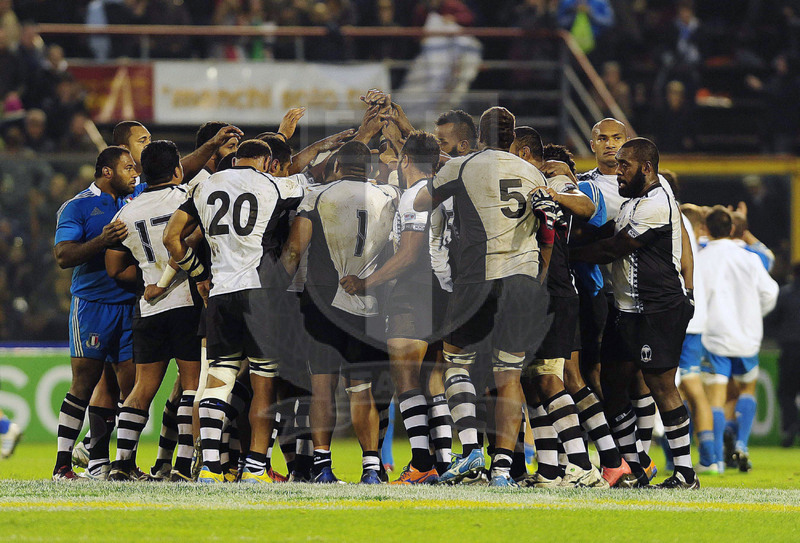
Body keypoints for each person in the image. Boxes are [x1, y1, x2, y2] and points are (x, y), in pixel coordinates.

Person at [413, 107, 598, 487]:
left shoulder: (464, 166)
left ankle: (470, 451)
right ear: (512, 135)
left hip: (477, 278)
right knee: (510, 374)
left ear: (479, 135)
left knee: (457, 362)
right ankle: (501, 469)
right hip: (524, 282)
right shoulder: (531, 171)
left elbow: (421, 203)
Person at [164, 139, 305, 484]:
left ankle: (211, 469)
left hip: (221, 294)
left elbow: (172, 238)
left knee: (217, 381)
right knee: (263, 384)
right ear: (267, 161)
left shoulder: (204, 186)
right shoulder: (274, 183)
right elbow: (305, 177)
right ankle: (256, 467)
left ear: (235, 158)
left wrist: (199, 275)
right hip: (259, 294)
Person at [571, 138, 699, 489]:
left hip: (658, 309)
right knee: (612, 387)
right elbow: (610, 232)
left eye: (625, 165)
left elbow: (616, 247)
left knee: (661, 385)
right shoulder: (636, 199)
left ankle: (686, 473)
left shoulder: (657, 204)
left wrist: (570, 255)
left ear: (646, 168)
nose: (619, 171)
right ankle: (635, 469)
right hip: (625, 310)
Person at [280, 141, 400, 484]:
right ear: (371, 168)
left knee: (322, 387)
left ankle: (322, 466)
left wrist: (274, 291)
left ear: (336, 167)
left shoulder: (317, 196)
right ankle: (372, 468)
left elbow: (294, 250)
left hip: (321, 305)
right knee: (360, 389)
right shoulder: (388, 196)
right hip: (369, 306)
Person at [510, 128, 619, 488]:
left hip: (559, 293)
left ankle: (590, 463)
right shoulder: (524, 181)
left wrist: (552, 189)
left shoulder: (552, 175)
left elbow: (586, 207)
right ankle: (551, 468)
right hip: (544, 293)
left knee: (560, 378)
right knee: (533, 381)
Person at [340, 131, 444, 485]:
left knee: (406, 381)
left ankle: (421, 463)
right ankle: (443, 463)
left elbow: (409, 254)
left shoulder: (415, 194)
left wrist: (366, 282)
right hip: (443, 289)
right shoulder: (437, 188)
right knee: (434, 381)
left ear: (405, 162)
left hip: (414, 291)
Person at [103, 140, 202, 482]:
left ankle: (121, 463)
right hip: (187, 300)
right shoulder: (187, 196)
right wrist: (165, 280)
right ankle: (183, 467)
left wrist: (148, 281)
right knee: (193, 386)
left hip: (148, 306)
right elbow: (192, 240)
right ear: (177, 170)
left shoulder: (126, 212)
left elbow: (114, 267)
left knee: (143, 387)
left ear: (144, 172)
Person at [51, 146, 139, 480]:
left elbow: (173, 172)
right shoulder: (78, 206)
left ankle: (116, 464)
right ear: (106, 172)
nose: (135, 173)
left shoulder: (137, 197)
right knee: (84, 383)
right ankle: (62, 465)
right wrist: (101, 241)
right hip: (92, 307)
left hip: (131, 305)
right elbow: (63, 256)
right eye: (128, 168)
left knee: (131, 387)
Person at [697, 207, 778, 473]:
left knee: (716, 400)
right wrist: (754, 315)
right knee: (746, 390)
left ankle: (718, 461)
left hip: (714, 336)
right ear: (731, 230)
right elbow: (770, 291)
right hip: (747, 336)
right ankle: (742, 444)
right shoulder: (750, 258)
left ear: (707, 230)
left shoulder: (702, 257)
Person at [677, 203, 716, 474]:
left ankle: (673, 458)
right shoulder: (696, 236)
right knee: (694, 389)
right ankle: (710, 457)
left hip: (678, 318)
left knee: (665, 387)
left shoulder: (670, 219)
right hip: (697, 319)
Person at [767, 261, 800, 447]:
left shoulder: (785, 294)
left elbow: (772, 319)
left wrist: (778, 334)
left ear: (793, 275)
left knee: (787, 393)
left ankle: (790, 426)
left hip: (790, 350)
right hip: (790, 346)